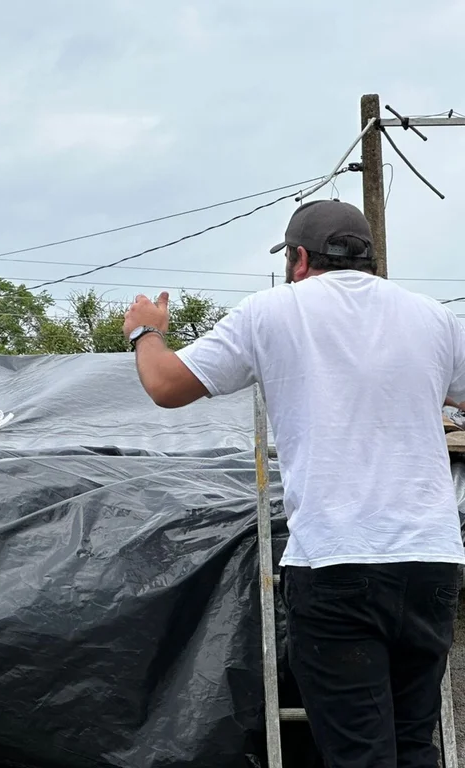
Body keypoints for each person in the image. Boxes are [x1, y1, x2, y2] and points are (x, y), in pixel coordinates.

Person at [122, 199, 465, 768]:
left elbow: (165, 385)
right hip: (430, 563)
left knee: (360, 754)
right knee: (412, 747)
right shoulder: (432, 317)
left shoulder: (271, 312)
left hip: (336, 565)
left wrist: (144, 331)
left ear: (300, 258)